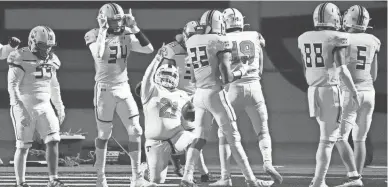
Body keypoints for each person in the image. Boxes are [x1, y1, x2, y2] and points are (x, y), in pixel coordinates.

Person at [180, 9, 274, 187]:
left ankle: (187, 176)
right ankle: (251, 180)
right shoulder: (220, 41)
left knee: (199, 138)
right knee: (234, 139)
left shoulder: (192, 40)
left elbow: (192, 77)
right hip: (215, 94)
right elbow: (227, 78)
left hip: (198, 95)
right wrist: (242, 70)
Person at [83, 3, 155, 187]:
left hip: (123, 86)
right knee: (104, 133)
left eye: (119, 20)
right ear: (104, 20)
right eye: (114, 21)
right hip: (104, 90)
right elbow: (99, 54)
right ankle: (100, 178)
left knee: (136, 130)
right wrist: (102, 31)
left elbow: (149, 49)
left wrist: (134, 27)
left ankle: (136, 178)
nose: (118, 25)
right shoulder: (93, 34)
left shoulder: (126, 33)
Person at [210, 8, 282, 187]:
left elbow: (219, 68)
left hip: (232, 88)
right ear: (241, 22)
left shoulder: (221, 39)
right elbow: (260, 68)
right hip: (254, 86)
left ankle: (226, 177)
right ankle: (267, 162)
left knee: (224, 135)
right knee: (263, 130)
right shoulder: (255, 35)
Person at [297, 3, 362, 187]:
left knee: (329, 137)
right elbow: (342, 69)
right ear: (334, 18)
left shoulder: (304, 37)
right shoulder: (336, 37)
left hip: (313, 89)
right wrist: (354, 92)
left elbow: (305, 68)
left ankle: (344, 177)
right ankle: (318, 182)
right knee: (327, 140)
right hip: (330, 90)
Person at [8, 26, 66, 187]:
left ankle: (53, 179)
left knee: (53, 139)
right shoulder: (20, 57)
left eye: (49, 46)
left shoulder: (52, 59)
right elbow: (12, 87)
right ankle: (20, 182)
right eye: (43, 45)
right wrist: (20, 110)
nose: (47, 49)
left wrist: (59, 105)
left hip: (45, 105)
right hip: (24, 105)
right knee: (23, 146)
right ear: (33, 42)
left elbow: (54, 85)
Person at [335, 5, 380, 187]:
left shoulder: (341, 38)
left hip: (348, 92)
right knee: (360, 139)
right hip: (369, 92)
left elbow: (339, 68)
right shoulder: (373, 40)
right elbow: (374, 75)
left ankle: (353, 176)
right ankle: (357, 177)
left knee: (339, 137)